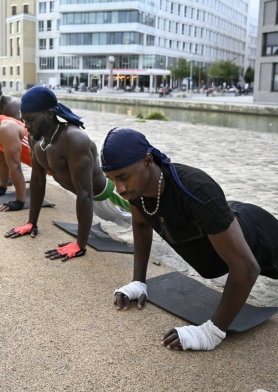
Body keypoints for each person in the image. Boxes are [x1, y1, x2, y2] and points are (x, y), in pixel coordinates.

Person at [100, 127, 278, 351]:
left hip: (261, 237)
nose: (119, 188)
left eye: (123, 177)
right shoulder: (137, 190)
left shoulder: (196, 189)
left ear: (147, 161)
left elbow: (246, 268)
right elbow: (141, 223)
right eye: (112, 180)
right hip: (225, 224)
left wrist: (212, 331)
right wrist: (138, 281)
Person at [5, 86, 132, 260]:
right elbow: (37, 180)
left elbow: (85, 193)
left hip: (108, 198)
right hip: (85, 199)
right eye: (23, 119)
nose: (26, 125)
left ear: (49, 114)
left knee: (150, 220)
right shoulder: (36, 137)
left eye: (31, 119)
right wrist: (31, 222)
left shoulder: (73, 138)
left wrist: (80, 245)